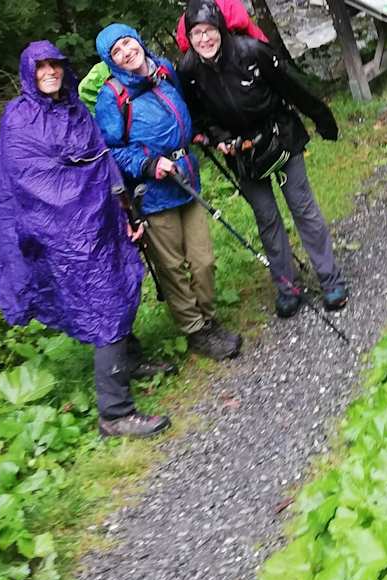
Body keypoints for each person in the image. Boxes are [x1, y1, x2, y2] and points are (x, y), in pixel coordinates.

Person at [0, 40, 171, 438]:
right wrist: (83, 206)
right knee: (103, 304)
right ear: (29, 73)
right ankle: (115, 413)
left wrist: (125, 209)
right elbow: (32, 183)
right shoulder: (20, 119)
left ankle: (130, 360)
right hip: (65, 234)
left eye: (55, 65)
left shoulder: (74, 109)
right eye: (42, 67)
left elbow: (101, 161)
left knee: (120, 287)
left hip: (102, 218)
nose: (50, 72)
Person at [178, 0, 349, 319]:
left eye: (210, 31)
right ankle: (288, 288)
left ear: (222, 30)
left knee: (302, 207)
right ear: (189, 37)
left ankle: (331, 280)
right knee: (267, 218)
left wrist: (322, 118)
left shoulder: (252, 52)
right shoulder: (189, 70)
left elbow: (292, 87)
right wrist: (218, 139)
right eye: (197, 33)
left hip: (280, 137)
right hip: (242, 155)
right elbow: (198, 117)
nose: (205, 39)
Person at [95, 23, 242, 360]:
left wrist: (198, 135)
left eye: (128, 43)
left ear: (139, 41)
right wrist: (149, 164)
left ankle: (207, 317)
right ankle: (195, 330)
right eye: (116, 52)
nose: (126, 52)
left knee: (203, 260)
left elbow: (182, 112)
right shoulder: (112, 95)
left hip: (186, 178)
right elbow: (112, 150)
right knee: (173, 267)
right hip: (155, 191)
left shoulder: (163, 70)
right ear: (110, 60)